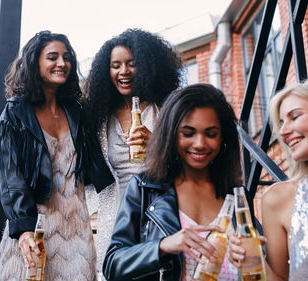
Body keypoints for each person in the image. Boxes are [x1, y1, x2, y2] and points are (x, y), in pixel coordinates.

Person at [0, 31, 114, 281]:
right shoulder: (16, 114)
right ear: (35, 62)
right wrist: (23, 230)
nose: (62, 63)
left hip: (76, 229)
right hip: (33, 229)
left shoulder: (78, 113)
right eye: (53, 57)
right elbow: (10, 176)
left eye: (67, 57)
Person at [103, 84, 244, 281]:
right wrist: (164, 245)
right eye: (188, 133)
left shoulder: (237, 196)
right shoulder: (145, 188)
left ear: (223, 140)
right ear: (171, 135)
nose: (200, 143)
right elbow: (112, 265)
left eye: (211, 134)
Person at [83, 28, 183, 277]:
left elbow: (191, 161)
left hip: (159, 209)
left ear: (149, 66)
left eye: (131, 64)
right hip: (116, 217)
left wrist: (158, 146)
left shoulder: (167, 108)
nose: (123, 71)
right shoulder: (99, 118)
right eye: (115, 65)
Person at [228, 78, 308, 280]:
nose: (284, 131)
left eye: (294, 117)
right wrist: (253, 259)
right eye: (281, 123)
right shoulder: (279, 199)